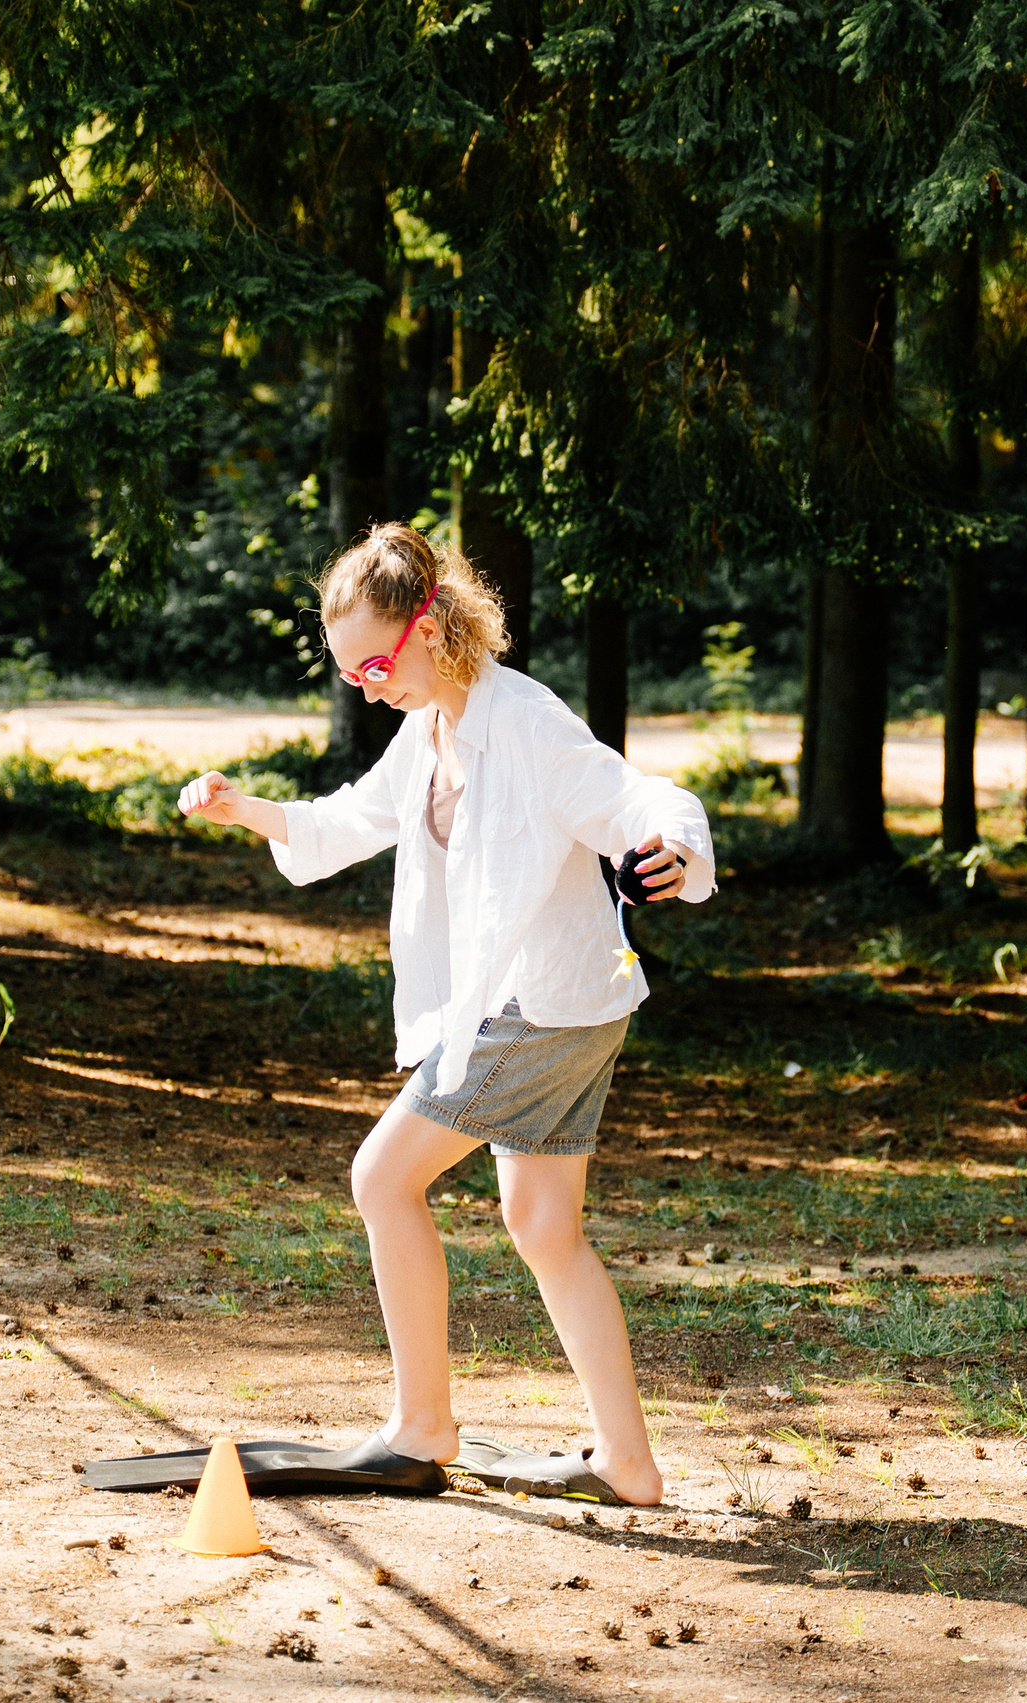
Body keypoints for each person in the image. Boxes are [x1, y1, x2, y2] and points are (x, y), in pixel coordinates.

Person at [177, 522, 714, 1506]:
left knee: (382, 1178)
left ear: (431, 625)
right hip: (559, 1001)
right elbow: (347, 820)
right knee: (543, 1223)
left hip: (540, 1005)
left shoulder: (523, 721)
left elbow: (642, 799)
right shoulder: (427, 729)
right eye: (349, 673)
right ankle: (626, 1463)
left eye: (376, 662)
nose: (368, 684)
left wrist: (669, 852)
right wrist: (242, 807)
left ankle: (421, 1426)